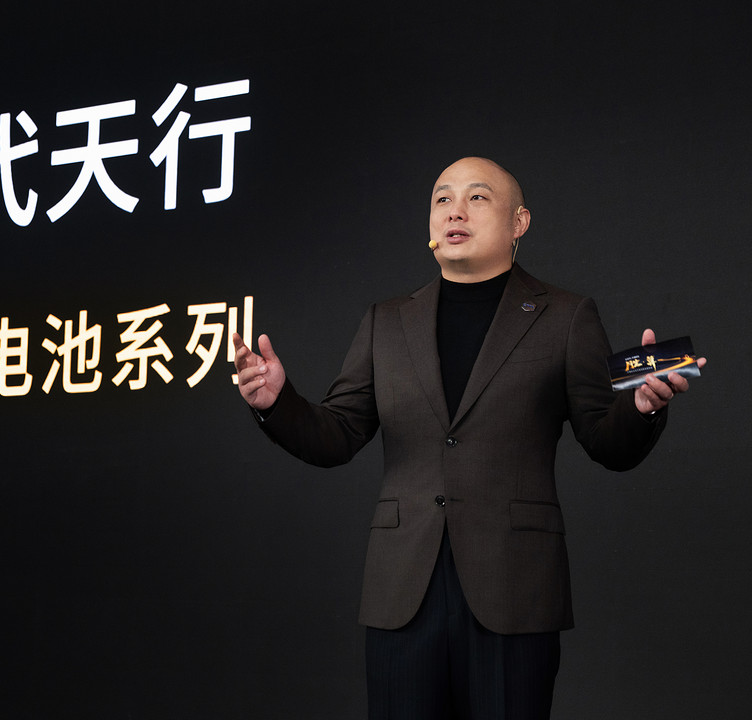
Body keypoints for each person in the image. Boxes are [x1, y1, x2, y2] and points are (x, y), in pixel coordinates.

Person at [232, 157, 705, 720]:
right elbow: (337, 434)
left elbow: (606, 438)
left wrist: (643, 407)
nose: (455, 211)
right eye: (442, 199)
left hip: (514, 588)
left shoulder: (565, 316)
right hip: (402, 591)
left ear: (519, 222)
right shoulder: (386, 320)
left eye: (477, 198)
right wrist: (277, 402)